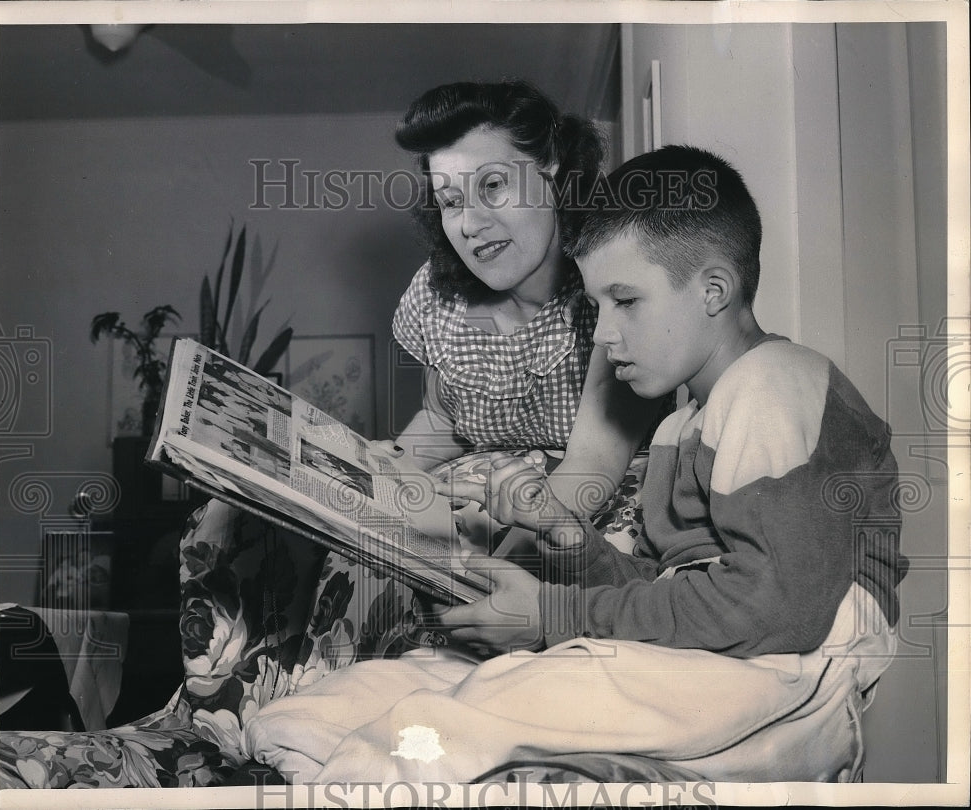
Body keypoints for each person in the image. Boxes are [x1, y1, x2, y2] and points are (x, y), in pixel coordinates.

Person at [242, 145, 908, 783]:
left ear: (713, 290)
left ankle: (368, 768)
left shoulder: (772, 385)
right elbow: (662, 593)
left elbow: (773, 607)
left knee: (497, 700)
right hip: (715, 656)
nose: (604, 332)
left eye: (626, 301)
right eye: (596, 307)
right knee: (370, 696)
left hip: (790, 669)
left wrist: (553, 616)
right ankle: (315, 741)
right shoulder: (683, 425)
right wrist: (567, 538)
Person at [380, 80, 667, 533]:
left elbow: (595, 464)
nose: (471, 224)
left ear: (550, 167)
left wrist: (501, 568)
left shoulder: (610, 285)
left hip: (589, 514)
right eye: (451, 202)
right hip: (489, 512)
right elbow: (443, 418)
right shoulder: (438, 295)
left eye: (492, 186)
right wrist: (383, 470)